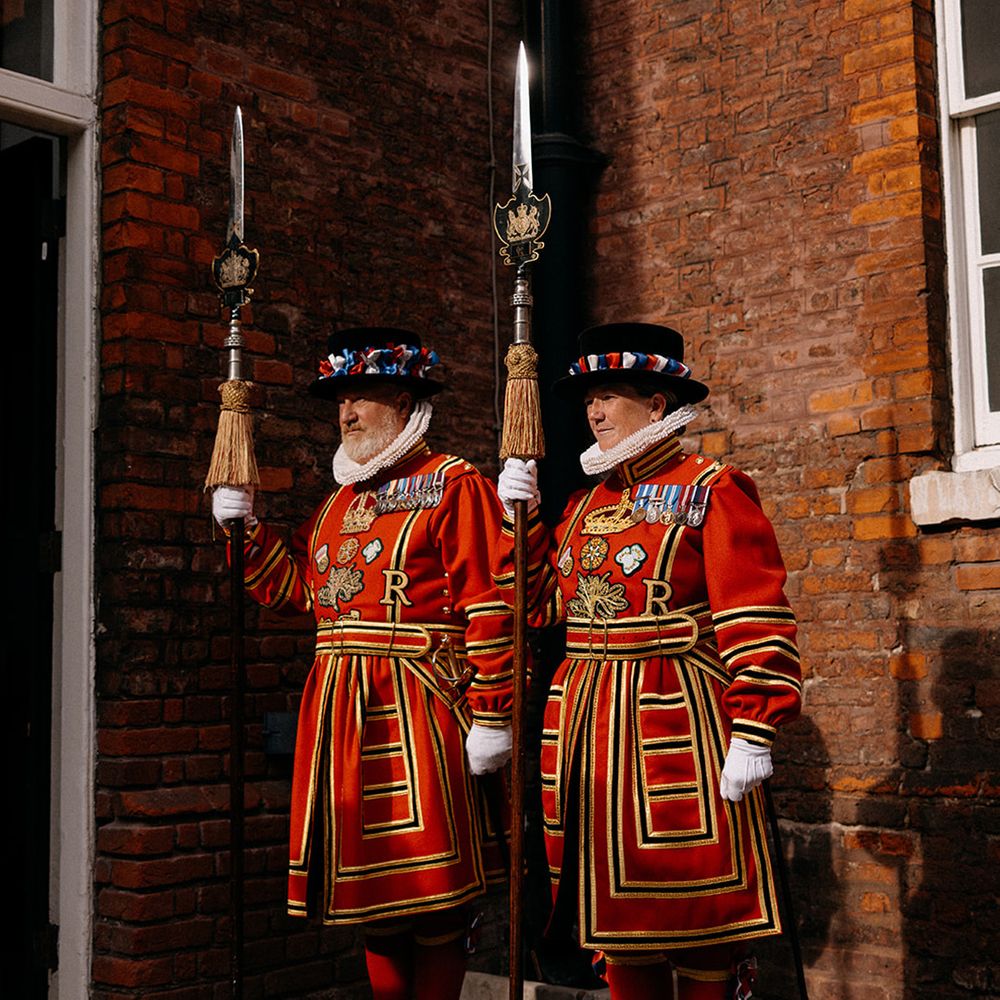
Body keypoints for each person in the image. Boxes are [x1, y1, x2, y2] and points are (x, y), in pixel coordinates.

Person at [495, 322, 801, 1000]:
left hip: (676, 725)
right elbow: (542, 607)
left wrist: (754, 726)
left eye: (609, 396)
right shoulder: (581, 504)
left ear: (657, 405)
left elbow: (754, 613)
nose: (595, 413)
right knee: (617, 921)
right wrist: (522, 520)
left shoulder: (712, 488)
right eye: (588, 400)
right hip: (588, 736)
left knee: (695, 919)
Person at [213, 328, 514, 1000]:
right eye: (340, 399)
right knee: (374, 899)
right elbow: (298, 593)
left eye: (362, 396)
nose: (345, 412)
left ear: (405, 401)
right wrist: (246, 531)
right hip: (342, 718)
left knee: (432, 895)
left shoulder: (452, 484)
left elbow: (492, 603)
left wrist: (493, 714)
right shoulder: (337, 503)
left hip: (420, 709)